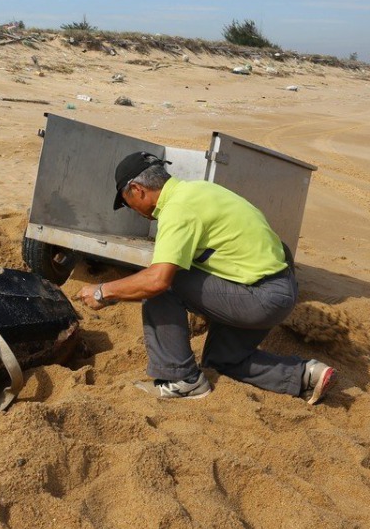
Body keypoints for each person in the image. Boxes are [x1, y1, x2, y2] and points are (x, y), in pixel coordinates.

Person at [76, 152, 335, 403]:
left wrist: (103, 291)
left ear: (137, 189)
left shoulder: (178, 209)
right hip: (277, 287)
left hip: (262, 296)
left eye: (126, 202)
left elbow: (157, 281)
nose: (131, 210)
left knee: (163, 284)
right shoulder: (199, 191)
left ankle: (181, 381)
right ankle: (305, 375)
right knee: (222, 360)